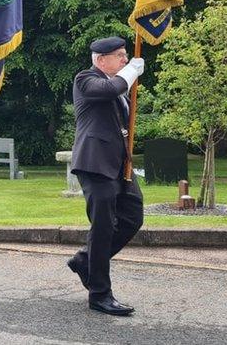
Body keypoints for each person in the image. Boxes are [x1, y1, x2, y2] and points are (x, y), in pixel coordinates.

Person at [66, 37, 145, 316]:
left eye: (126, 55)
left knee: (133, 215)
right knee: (102, 228)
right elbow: (112, 87)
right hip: (95, 164)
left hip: (119, 165)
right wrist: (132, 71)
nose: (125, 60)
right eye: (120, 56)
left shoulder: (117, 87)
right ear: (101, 60)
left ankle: (85, 261)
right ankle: (100, 294)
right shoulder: (85, 79)